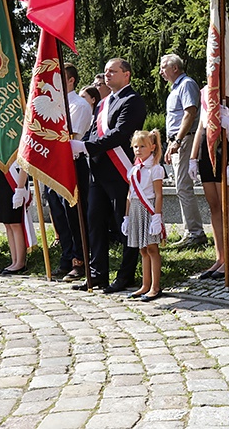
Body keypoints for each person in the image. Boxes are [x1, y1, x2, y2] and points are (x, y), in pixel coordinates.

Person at [71, 58, 147, 293]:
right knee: (95, 223)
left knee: (122, 223)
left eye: (112, 71)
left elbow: (121, 133)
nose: (107, 75)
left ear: (127, 75)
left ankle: (126, 275)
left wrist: (85, 148)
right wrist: (81, 145)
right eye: (105, 72)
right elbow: (93, 133)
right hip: (98, 171)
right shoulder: (103, 104)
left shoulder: (132, 100)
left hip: (119, 172)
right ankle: (97, 275)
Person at [189, 98, 229, 279]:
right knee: (213, 204)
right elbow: (200, 126)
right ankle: (220, 256)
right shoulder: (206, 91)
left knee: (227, 205)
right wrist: (193, 157)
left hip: (226, 146)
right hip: (207, 145)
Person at [48, 63, 93, 280]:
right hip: (53, 165)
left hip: (72, 164)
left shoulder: (78, 105)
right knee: (59, 215)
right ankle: (67, 257)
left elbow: (68, 137)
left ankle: (80, 259)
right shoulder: (54, 103)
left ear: (71, 80)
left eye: (60, 78)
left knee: (74, 214)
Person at [159, 54, 205, 248]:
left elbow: (190, 111)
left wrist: (177, 140)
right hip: (178, 141)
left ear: (174, 68)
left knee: (183, 187)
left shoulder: (186, 84)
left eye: (163, 67)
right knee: (181, 186)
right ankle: (190, 231)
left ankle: (195, 233)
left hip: (185, 139)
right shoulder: (176, 87)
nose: (161, 71)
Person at [124, 130, 165, 301]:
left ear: (152, 147)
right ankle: (145, 284)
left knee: (152, 248)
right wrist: (126, 217)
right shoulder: (133, 170)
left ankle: (155, 286)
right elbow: (129, 194)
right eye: (135, 146)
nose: (138, 150)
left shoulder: (155, 169)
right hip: (135, 209)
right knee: (142, 249)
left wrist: (157, 216)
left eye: (142, 146)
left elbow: (158, 194)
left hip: (148, 209)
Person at [0, 164, 31, 274]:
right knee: (7, 224)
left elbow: (24, 164)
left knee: (15, 223)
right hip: (2, 178)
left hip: (15, 179)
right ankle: (14, 260)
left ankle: (20, 262)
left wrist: (20, 189)